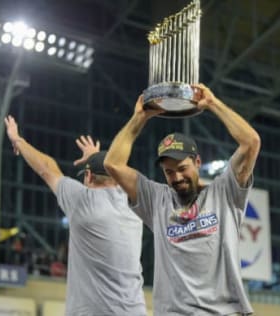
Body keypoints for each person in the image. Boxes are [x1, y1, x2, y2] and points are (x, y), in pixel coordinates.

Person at [104, 84, 261, 315]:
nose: (177, 177)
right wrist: (139, 117)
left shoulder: (225, 192)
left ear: (197, 163)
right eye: (169, 172)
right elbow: (112, 164)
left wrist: (213, 104)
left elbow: (251, 143)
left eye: (182, 168)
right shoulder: (157, 200)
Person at [4, 116, 146, 316]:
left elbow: (46, 168)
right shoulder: (134, 203)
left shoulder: (83, 201)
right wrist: (96, 159)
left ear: (88, 177)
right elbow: (113, 171)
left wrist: (18, 139)